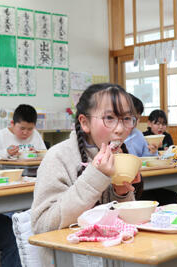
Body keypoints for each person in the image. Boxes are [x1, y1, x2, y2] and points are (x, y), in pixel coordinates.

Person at [31, 83, 143, 267]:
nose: (120, 129)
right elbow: (42, 225)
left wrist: (121, 192)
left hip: (112, 255)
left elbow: (121, 225)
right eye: (109, 118)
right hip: (68, 259)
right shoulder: (58, 157)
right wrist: (96, 176)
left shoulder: (118, 155)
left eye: (127, 118)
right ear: (84, 122)